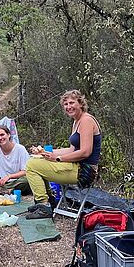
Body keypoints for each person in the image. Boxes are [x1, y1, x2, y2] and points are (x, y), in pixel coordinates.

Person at [24, 90, 102, 219]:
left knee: (32, 166)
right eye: (65, 104)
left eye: (72, 102)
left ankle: (44, 205)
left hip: (84, 172)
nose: (68, 106)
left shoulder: (86, 121)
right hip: (76, 166)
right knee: (36, 160)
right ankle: (50, 201)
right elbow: (72, 150)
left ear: (81, 104)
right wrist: (45, 152)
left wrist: (58, 158)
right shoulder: (76, 121)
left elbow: (85, 152)